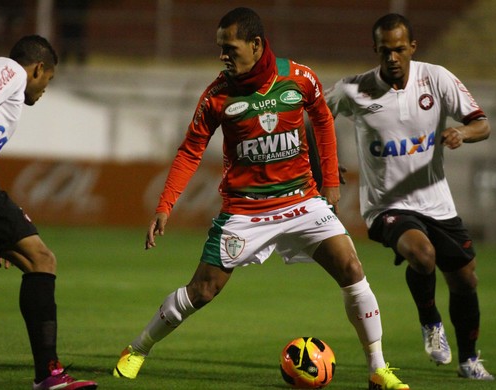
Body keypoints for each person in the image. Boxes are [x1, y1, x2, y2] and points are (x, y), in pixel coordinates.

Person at [112, 7, 409, 390]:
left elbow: (321, 119)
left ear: (256, 45)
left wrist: (330, 181)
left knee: (351, 269)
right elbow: (190, 150)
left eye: (230, 48)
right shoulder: (217, 95)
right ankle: (138, 348)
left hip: (301, 202)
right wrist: (165, 205)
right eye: (220, 48)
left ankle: (378, 369)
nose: (223, 56)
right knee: (203, 290)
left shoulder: (300, 79)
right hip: (245, 211)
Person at [325, 13, 494, 380]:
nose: (392, 58)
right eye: (385, 51)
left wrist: (462, 134)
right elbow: (312, 117)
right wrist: (323, 162)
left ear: (412, 47)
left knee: (465, 279)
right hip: (386, 206)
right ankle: (430, 322)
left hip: (437, 203)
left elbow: (482, 124)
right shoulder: (354, 89)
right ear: (375, 50)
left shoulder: (436, 78)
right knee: (422, 253)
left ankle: (469, 360)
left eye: (400, 49)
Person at [0, 35, 98, 389]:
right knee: (41, 260)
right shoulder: (11, 72)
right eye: (48, 80)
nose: (45, 89)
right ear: (38, 69)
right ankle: (48, 374)